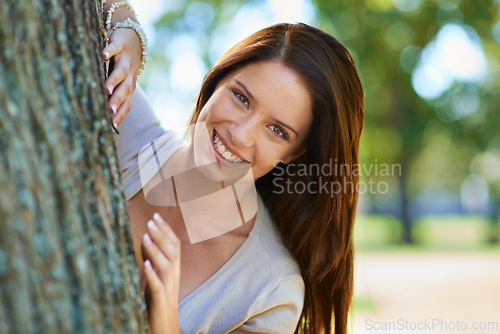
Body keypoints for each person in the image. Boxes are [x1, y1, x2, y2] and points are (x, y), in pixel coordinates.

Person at [102, 3, 365, 334]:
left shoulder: (270, 290)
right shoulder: (123, 125)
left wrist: (165, 316)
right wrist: (130, 32)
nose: (240, 134)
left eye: (277, 130)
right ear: (217, 80)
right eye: (241, 98)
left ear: (295, 153)